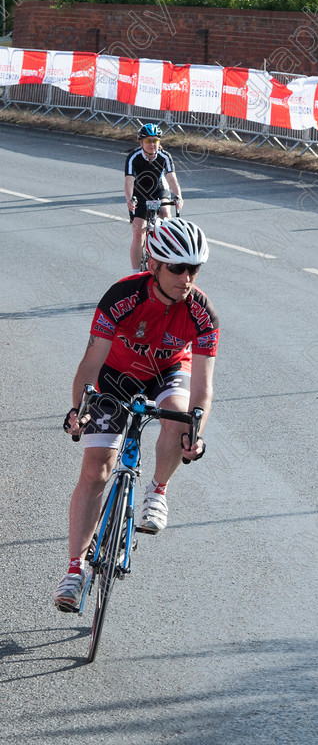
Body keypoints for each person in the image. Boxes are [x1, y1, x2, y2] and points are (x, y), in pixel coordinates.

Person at [52, 218, 219, 613]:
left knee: (179, 419)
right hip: (116, 375)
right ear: (155, 264)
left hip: (168, 373)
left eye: (193, 268)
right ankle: (75, 571)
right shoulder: (121, 297)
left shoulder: (202, 312)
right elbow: (91, 363)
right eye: (177, 267)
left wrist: (195, 433)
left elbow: (202, 389)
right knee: (97, 468)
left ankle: (157, 491)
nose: (186, 277)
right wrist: (79, 410)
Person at [125, 123, 183, 272]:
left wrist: (178, 196)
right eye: (148, 141)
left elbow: (172, 178)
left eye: (155, 141)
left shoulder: (165, 156)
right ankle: (135, 272)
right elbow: (129, 181)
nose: (152, 144)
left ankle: (167, 256)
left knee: (165, 212)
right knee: (138, 231)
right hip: (140, 192)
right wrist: (130, 199)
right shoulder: (133, 157)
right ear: (141, 143)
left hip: (159, 190)